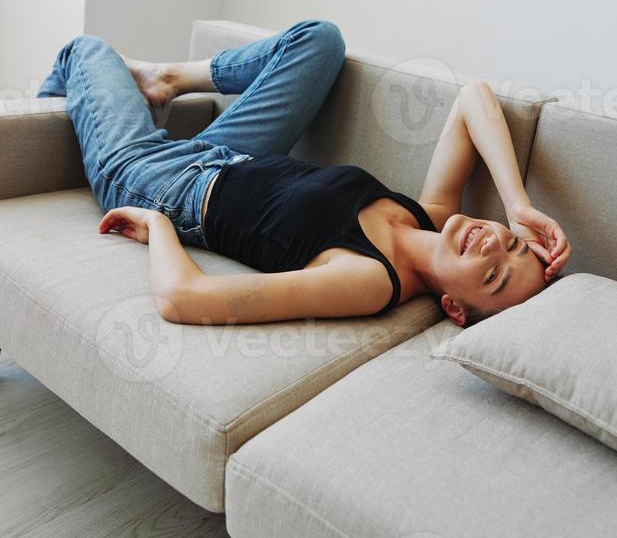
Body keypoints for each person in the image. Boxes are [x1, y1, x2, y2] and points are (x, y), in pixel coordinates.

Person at [37, 20, 571, 328]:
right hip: (229, 155)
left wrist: (159, 227)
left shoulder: (370, 281)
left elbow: (185, 299)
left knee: (83, 51)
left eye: (493, 276)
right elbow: (471, 98)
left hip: (163, 183)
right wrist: (519, 206)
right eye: (514, 247)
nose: (491, 247)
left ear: (453, 307)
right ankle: (167, 79)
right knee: (320, 40)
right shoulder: (431, 217)